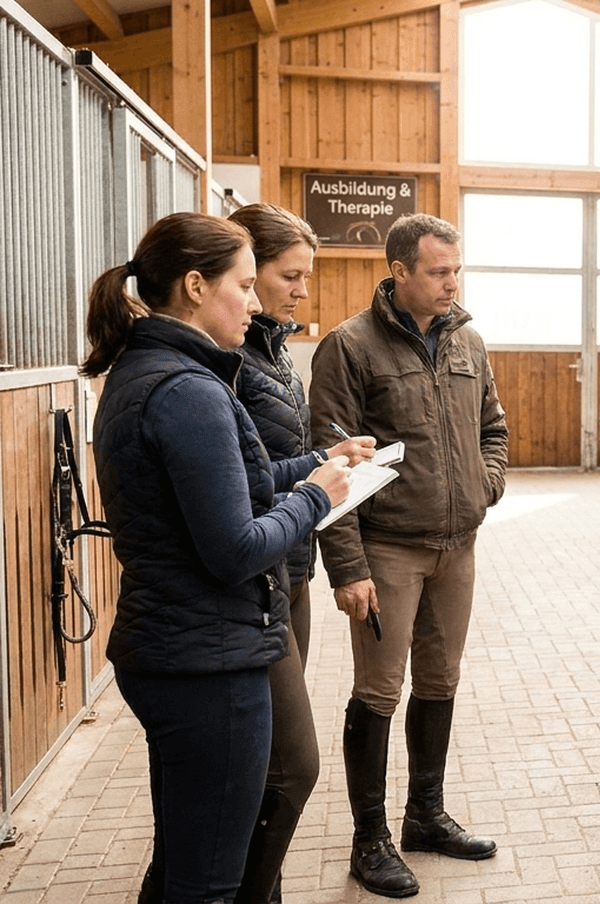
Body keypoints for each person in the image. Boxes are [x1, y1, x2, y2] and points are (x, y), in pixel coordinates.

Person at [82, 212, 354, 904]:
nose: (256, 303)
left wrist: (316, 465)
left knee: (181, 866)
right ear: (196, 286)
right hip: (209, 661)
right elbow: (235, 548)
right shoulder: (189, 391)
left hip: (174, 646)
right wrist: (316, 498)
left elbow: (232, 488)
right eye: (245, 284)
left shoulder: (146, 372)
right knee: (207, 885)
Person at [308, 212, 508, 898]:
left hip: (458, 546)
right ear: (399, 272)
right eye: (439, 272)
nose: (453, 283)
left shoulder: (467, 340)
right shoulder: (349, 347)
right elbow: (329, 463)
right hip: (387, 548)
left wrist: (485, 484)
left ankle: (425, 815)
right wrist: (348, 567)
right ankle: (369, 840)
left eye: (457, 269)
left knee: (440, 680)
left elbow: (492, 427)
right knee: (378, 690)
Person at [228, 202, 377, 904]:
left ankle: (265, 887)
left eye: (305, 276)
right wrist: (316, 479)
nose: (302, 290)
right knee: (289, 765)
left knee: (270, 763)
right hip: (255, 573)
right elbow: (244, 479)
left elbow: (272, 459)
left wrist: (326, 457)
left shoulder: (273, 351)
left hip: (290, 567)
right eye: (289, 275)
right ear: (244, 271)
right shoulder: (228, 360)